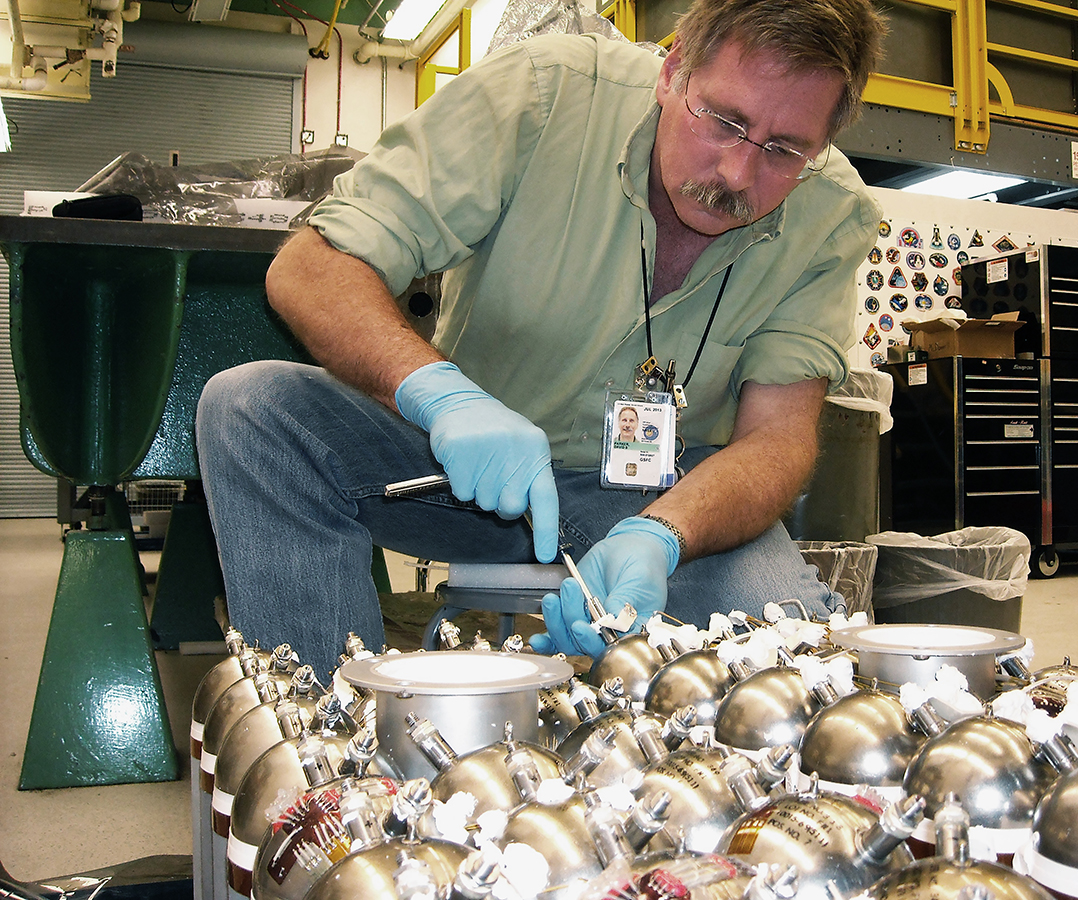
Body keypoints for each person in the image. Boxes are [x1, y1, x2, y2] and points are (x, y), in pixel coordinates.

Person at [196, 0, 887, 677]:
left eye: (785, 149)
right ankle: (327, 751)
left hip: (662, 498)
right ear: (672, 70)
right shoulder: (542, 96)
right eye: (725, 122)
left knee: (797, 664)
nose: (738, 174)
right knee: (251, 407)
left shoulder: (833, 216)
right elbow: (312, 267)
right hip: (462, 471)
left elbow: (779, 439)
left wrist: (665, 533)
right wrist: (440, 396)